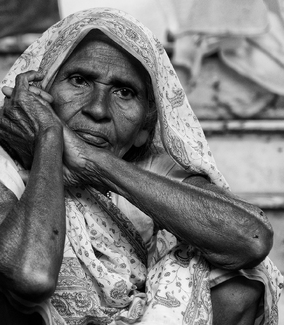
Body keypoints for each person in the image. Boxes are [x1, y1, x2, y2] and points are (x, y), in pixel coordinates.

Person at [0, 7, 282, 325]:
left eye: (124, 92)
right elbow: (31, 277)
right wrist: (49, 141)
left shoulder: (147, 169)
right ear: (41, 94)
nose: (98, 109)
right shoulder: (5, 166)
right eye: (79, 80)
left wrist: (89, 159)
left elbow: (251, 238)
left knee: (240, 276)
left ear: (146, 129)